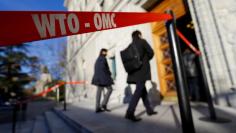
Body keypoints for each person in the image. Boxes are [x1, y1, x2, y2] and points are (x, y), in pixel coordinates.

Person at [125, 30, 157, 122]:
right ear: (139, 35)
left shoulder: (130, 46)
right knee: (139, 90)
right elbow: (151, 52)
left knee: (142, 90)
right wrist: (146, 59)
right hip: (142, 70)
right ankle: (129, 112)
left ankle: (149, 110)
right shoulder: (142, 41)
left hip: (134, 72)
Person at [92, 48, 113, 113]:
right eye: (105, 52)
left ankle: (97, 107)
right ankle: (103, 104)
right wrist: (109, 73)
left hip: (98, 78)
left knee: (99, 92)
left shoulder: (97, 59)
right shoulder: (103, 59)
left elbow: (96, 69)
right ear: (103, 52)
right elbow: (105, 68)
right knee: (110, 89)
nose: (106, 53)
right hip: (103, 77)